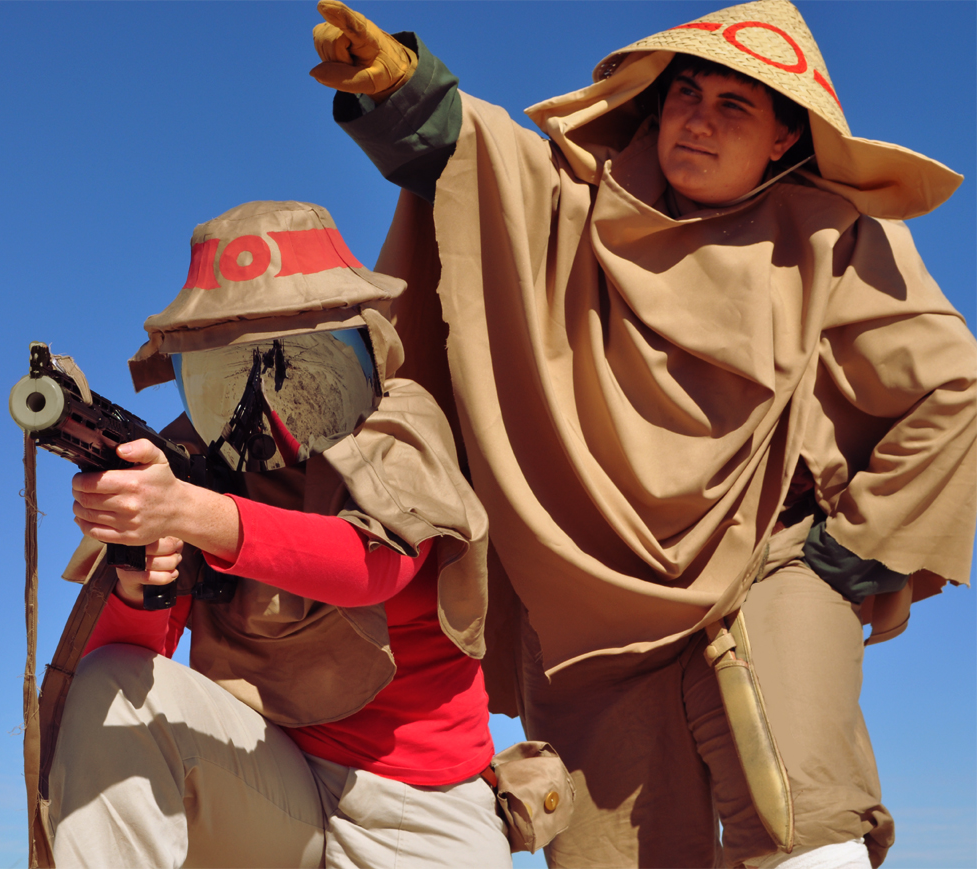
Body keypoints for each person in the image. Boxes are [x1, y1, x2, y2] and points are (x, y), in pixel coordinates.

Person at [309, 1, 977, 867]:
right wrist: (404, 90)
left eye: (733, 105)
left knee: (807, 826)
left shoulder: (833, 235)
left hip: (769, 562)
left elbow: (954, 387)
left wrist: (856, 550)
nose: (697, 119)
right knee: (608, 854)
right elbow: (479, 169)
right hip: (589, 599)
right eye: (685, 94)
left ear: (784, 136)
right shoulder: (579, 205)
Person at [50, 200, 514, 868]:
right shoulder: (193, 459)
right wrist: (137, 578)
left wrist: (188, 512)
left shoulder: (398, 419)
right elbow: (126, 666)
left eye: (296, 365)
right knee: (107, 684)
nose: (261, 404)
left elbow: (371, 567)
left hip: (418, 806)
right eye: (231, 378)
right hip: (268, 778)